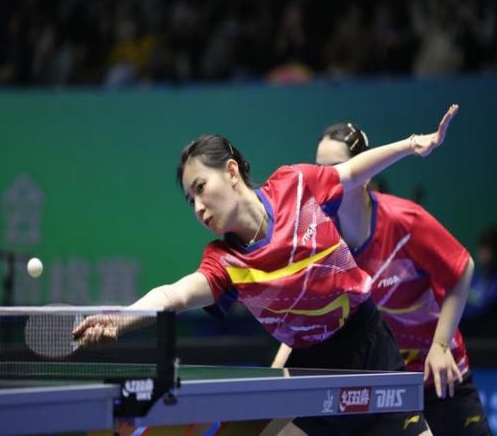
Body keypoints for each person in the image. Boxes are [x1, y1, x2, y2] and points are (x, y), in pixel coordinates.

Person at [74, 105, 459, 435]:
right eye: (190, 201)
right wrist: (121, 318)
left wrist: (411, 145)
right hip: (312, 367)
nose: (198, 208)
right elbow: (175, 294)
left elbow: (351, 172)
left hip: (369, 347)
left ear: (231, 171)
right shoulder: (225, 261)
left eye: (201, 188)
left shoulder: (294, 185)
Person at [274, 118, 490, 435]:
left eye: (335, 168)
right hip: (383, 381)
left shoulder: (405, 222)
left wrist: (441, 345)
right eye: (319, 169)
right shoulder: (322, 234)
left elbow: (462, 268)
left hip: (439, 373)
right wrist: (274, 374)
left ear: (366, 170)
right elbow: (307, 313)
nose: (326, 178)